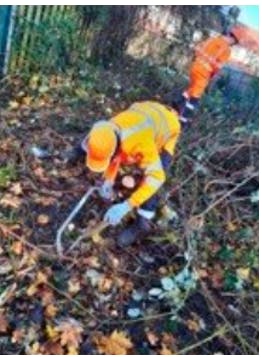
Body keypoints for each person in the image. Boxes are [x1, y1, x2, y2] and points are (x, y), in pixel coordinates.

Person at [67, 101, 181, 247]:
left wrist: (127, 205)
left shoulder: (141, 144)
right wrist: (108, 180)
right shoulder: (106, 129)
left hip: (168, 126)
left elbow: (157, 178)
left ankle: (142, 222)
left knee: (155, 176)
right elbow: (116, 154)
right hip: (147, 110)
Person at [178, 29, 239, 123]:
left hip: (195, 66)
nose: (232, 44)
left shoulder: (212, 40)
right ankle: (183, 119)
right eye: (233, 42)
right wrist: (212, 74)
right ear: (230, 37)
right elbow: (218, 66)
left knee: (191, 89)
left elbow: (197, 50)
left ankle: (176, 105)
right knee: (195, 96)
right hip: (204, 72)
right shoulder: (226, 49)